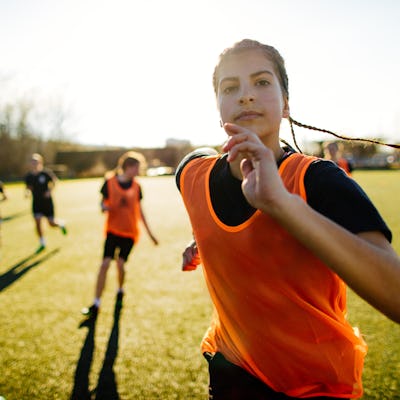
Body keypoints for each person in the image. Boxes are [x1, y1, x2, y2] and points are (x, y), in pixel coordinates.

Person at [176, 39, 400, 399]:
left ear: (285, 104)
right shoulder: (191, 175)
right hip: (231, 371)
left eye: (262, 82)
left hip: (315, 385)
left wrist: (283, 204)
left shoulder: (319, 180)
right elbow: (212, 206)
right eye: (230, 87)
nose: (246, 95)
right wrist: (202, 238)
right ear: (218, 108)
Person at [81, 151, 158, 319]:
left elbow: (140, 212)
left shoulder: (137, 187)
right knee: (105, 264)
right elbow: (102, 202)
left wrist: (150, 234)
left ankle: (120, 290)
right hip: (112, 230)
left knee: (120, 264)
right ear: (128, 167)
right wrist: (103, 207)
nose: (138, 171)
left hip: (130, 232)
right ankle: (96, 304)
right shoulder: (109, 183)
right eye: (136, 168)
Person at [25, 153, 67, 253]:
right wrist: (27, 192)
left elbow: (55, 181)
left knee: (51, 223)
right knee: (38, 222)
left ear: (40, 162)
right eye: (32, 162)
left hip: (47, 203)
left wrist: (50, 191)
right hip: (36, 203)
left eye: (36, 162)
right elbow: (28, 188)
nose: (34, 164)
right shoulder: (29, 176)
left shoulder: (45, 173)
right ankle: (42, 242)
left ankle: (61, 224)